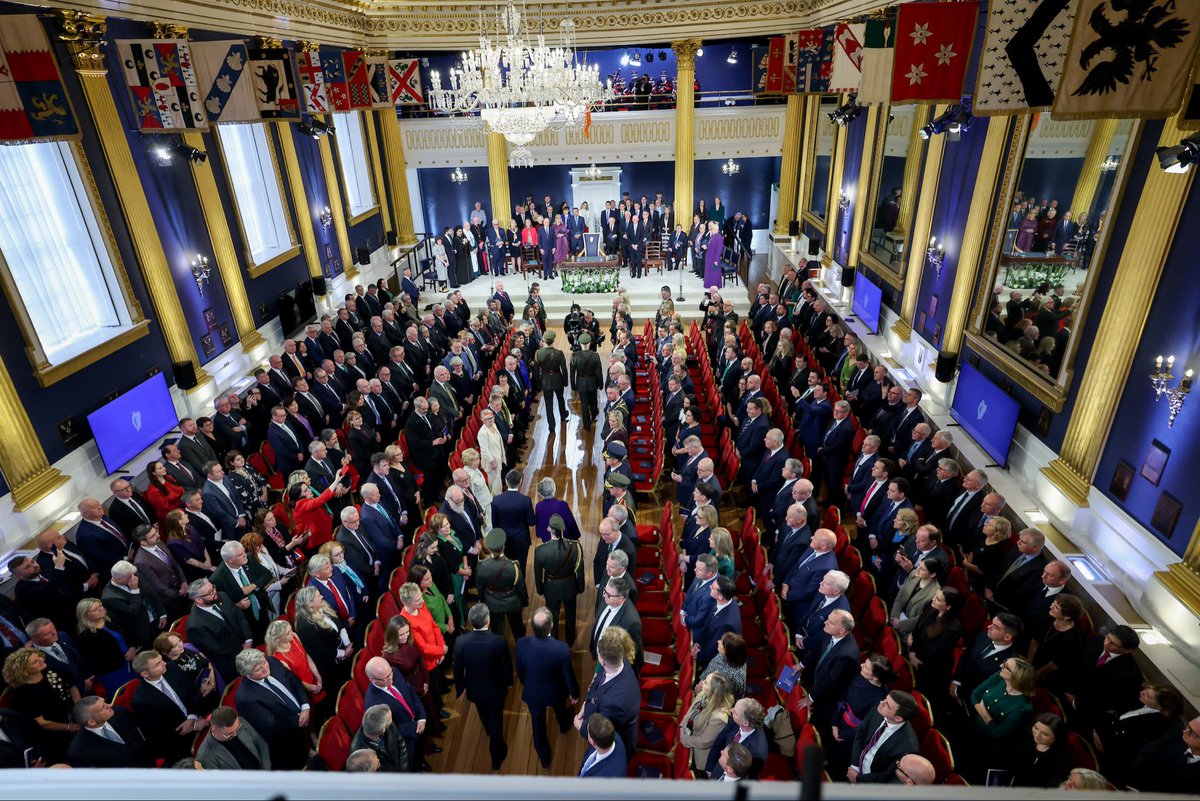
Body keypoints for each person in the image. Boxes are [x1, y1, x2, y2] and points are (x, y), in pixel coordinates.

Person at [516, 607, 580, 769]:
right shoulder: (561, 649)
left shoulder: (522, 644)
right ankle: (564, 725)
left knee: (537, 727)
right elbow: (568, 675)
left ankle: (544, 759)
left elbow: (520, 671)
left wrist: (527, 684)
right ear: (551, 626)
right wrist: (574, 693)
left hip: (533, 693)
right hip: (556, 692)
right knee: (560, 710)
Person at [453, 603, 513, 771]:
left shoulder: (461, 641)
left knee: (483, 712)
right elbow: (505, 665)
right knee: (497, 721)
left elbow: (457, 668)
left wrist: (461, 687)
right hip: (495, 690)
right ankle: (497, 755)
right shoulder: (498, 641)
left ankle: (487, 728)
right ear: (488, 620)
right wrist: (509, 681)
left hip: (474, 689)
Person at [233, 649, 311, 771]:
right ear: (247, 674)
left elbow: (294, 680)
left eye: (264, 662)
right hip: (286, 741)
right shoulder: (245, 699)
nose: (265, 668)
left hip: (301, 720)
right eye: (258, 669)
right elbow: (270, 724)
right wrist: (299, 719)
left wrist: (305, 706)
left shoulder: (272, 662)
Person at [130, 648, 208, 763]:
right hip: (178, 741)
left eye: (161, 660)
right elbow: (161, 732)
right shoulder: (141, 701)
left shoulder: (172, 668)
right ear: (145, 674)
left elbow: (192, 692)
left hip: (198, 715)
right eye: (158, 664)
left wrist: (192, 717)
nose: (164, 663)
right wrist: (194, 726)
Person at [2, 648, 79, 762]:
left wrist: (79, 711)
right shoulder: (23, 694)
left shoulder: (53, 670)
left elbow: (72, 688)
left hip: (74, 716)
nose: (41, 660)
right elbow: (42, 723)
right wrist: (69, 727)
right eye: (34, 661)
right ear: (23, 670)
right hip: (53, 736)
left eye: (39, 656)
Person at [965, 657, 1037, 780]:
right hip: (974, 731)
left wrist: (983, 711)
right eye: (1004, 663)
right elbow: (974, 695)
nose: (1000, 666)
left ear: (1017, 676)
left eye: (1006, 666)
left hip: (991, 749)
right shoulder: (999, 677)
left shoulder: (1023, 707)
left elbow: (997, 733)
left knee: (973, 775)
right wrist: (989, 719)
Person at [576, 626, 640, 757]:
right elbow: (598, 681)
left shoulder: (613, 702)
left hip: (615, 743)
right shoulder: (621, 662)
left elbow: (602, 732)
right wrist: (585, 704)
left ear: (603, 662)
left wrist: (581, 726)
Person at [382, 611, 441, 736]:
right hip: (411, 687)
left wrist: (426, 680)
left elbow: (419, 657)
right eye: (401, 634)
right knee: (423, 714)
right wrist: (419, 690)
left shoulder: (409, 639)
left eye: (407, 632)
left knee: (432, 706)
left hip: (422, 678)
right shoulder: (388, 656)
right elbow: (399, 681)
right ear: (393, 635)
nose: (405, 636)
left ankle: (438, 726)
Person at [848, 690, 921, 784]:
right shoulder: (880, 708)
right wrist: (855, 766)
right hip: (857, 761)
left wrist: (858, 779)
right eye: (885, 699)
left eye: (887, 705)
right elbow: (861, 732)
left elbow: (886, 775)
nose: (881, 702)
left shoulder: (908, 747)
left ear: (898, 718)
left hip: (871, 780)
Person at [534, 513, 585, 644]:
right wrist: (580, 587)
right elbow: (580, 569)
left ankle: (554, 639)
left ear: (549, 529)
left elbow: (538, 572)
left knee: (552, 616)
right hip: (570, 586)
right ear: (562, 530)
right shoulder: (575, 547)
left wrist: (540, 589)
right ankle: (570, 639)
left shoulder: (540, 550)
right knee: (570, 615)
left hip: (551, 587)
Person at [65, 695, 150, 768]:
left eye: (105, 702)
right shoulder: (79, 752)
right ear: (91, 722)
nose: (109, 705)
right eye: (103, 708)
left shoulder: (120, 712)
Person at [475, 528, 528, 638]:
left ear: (489, 548)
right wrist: (525, 599)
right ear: (503, 547)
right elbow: (521, 586)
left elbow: (480, 587)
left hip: (493, 602)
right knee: (517, 628)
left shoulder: (481, 566)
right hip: (512, 602)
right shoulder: (513, 565)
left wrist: (482, 599)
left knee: (497, 631)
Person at [679, 672, 735, 771]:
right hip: (688, 736)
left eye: (706, 683)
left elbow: (704, 742)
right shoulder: (703, 694)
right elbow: (690, 711)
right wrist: (682, 726)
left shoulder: (719, 717)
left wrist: (684, 738)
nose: (702, 682)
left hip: (698, 755)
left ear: (714, 691)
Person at [705, 698, 768, 779]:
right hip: (717, 768)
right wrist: (710, 767)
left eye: (735, 712)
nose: (731, 710)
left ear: (745, 723)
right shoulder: (737, 718)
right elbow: (720, 739)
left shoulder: (758, 753)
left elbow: (745, 777)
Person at [196, 705, 270, 770]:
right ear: (214, 730)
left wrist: (265, 771)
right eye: (229, 734)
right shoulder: (205, 756)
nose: (235, 735)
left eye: (237, 729)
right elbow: (223, 783)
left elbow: (262, 745)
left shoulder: (238, 722)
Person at [1011, 713, 1071, 788]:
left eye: (1045, 734)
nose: (1037, 735)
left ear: (1057, 737)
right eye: (1036, 728)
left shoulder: (1059, 762)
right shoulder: (1025, 742)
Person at [351, 704, 409, 773]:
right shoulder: (359, 754)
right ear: (382, 730)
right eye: (390, 719)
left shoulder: (385, 723)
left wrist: (404, 771)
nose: (392, 720)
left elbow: (401, 743)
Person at [697, 631, 748, 700]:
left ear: (728, 650)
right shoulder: (727, 655)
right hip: (706, 683)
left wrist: (702, 690)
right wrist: (702, 680)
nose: (718, 641)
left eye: (721, 642)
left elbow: (719, 699)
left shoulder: (731, 677)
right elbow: (713, 665)